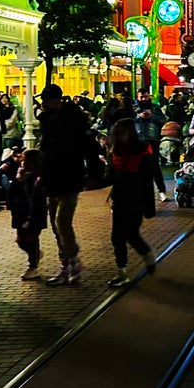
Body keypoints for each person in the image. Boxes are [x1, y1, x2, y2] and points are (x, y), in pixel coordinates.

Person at [37, 83, 90, 286]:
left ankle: (73, 261)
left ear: (57, 100)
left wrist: (90, 172)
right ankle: (66, 264)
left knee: (62, 222)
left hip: (69, 175)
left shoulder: (73, 119)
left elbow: (84, 145)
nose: (45, 104)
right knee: (55, 223)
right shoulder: (46, 120)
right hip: (51, 175)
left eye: (48, 100)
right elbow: (45, 146)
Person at [103, 118, 158, 288]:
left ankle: (147, 256)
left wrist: (149, 206)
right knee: (117, 236)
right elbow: (110, 177)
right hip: (119, 199)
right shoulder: (115, 151)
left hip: (136, 198)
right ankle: (122, 272)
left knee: (130, 234)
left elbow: (147, 181)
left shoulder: (142, 151)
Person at [8, 148, 47, 281]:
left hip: (33, 214)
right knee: (20, 240)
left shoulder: (37, 178)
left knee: (31, 238)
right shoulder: (20, 175)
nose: (22, 162)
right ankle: (34, 255)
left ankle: (33, 265)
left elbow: (36, 199)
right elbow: (13, 192)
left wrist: (31, 217)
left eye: (25, 160)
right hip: (19, 212)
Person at [132, 87, 170, 202]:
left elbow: (163, 120)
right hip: (137, 140)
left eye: (145, 96)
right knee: (137, 167)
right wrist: (139, 116)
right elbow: (128, 120)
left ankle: (161, 191)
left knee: (154, 166)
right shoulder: (133, 108)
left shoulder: (155, 107)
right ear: (137, 97)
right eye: (141, 97)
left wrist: (152, 116)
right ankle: (139, 193)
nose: (143, 99)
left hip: (152, 139)